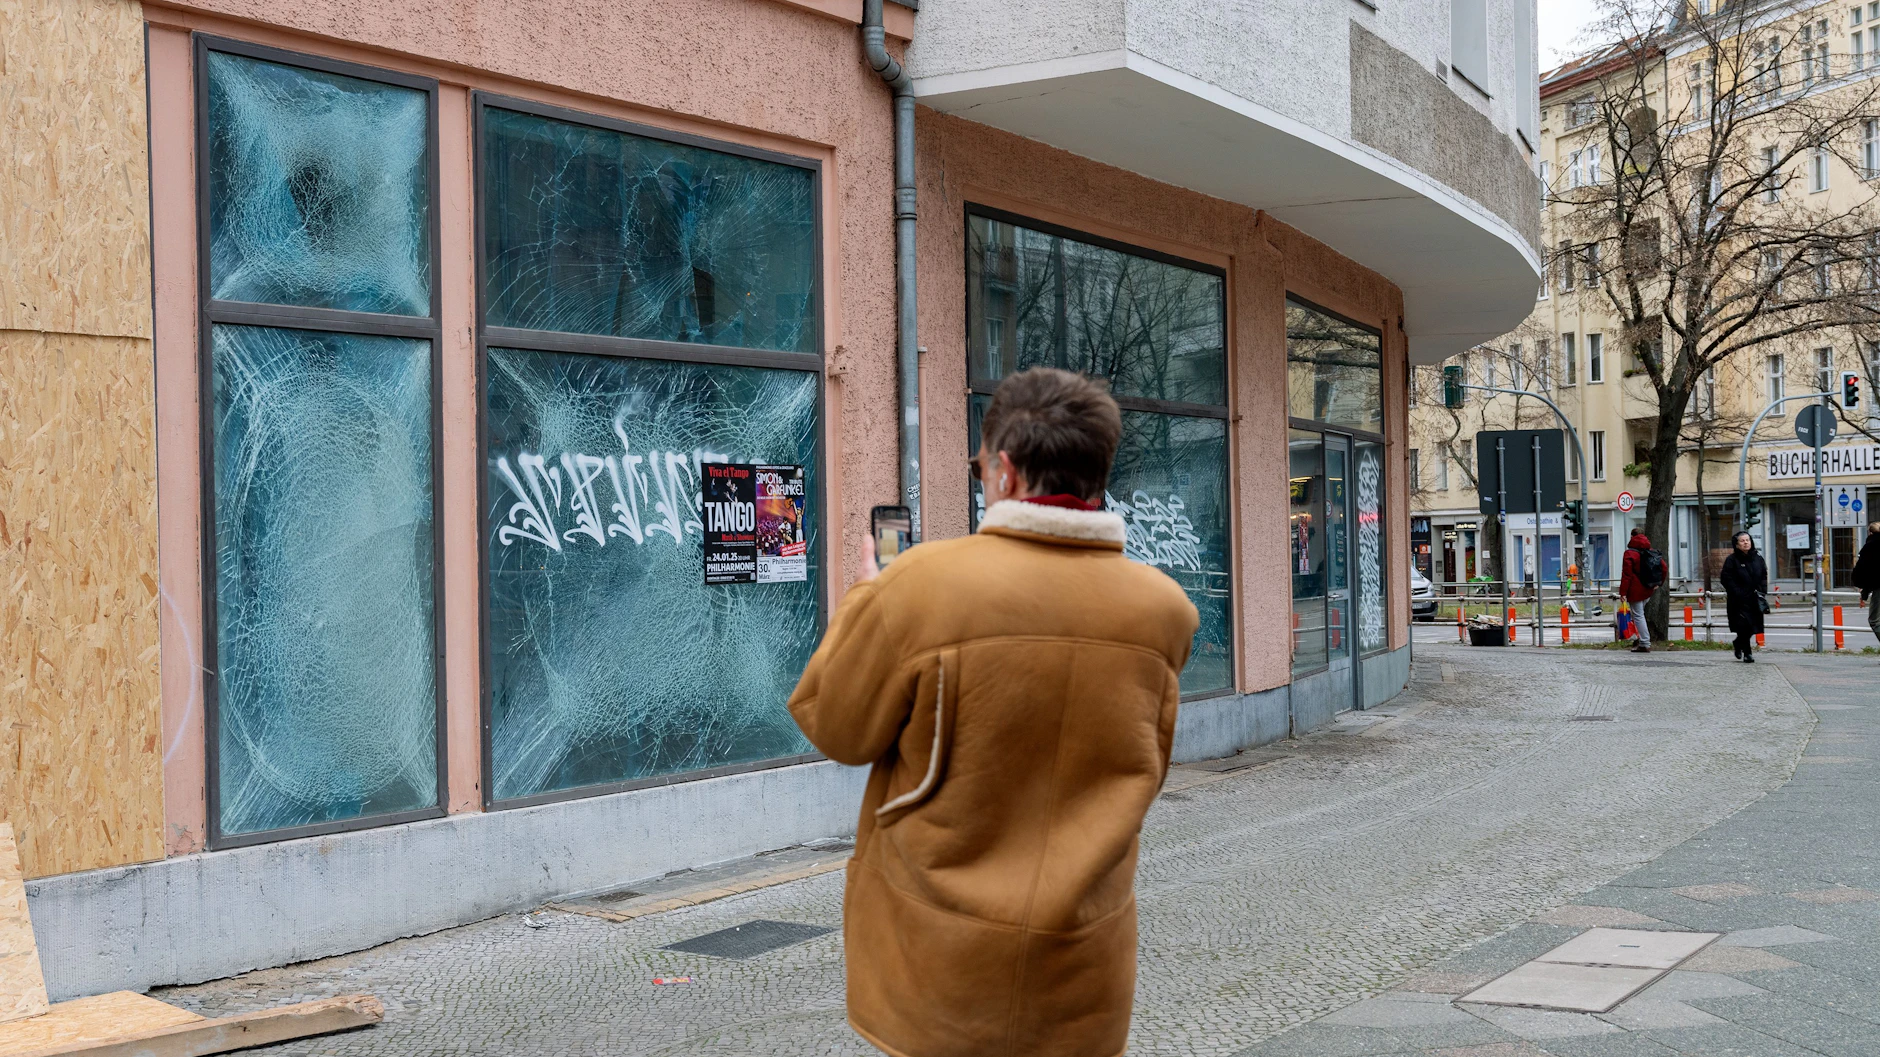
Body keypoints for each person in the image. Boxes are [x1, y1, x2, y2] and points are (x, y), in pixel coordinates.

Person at [787, 367, 1199, 1057]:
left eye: (979, 468)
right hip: (1084, 970)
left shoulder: (921, 585)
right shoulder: (1165, 611)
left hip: (940, 973)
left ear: (1004, 471)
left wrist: (867, 599)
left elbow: (836, 725)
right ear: (1098, 471)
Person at [1719, 531, 1767, 663]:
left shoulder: (1758, 558)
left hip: (1755, 598)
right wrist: (1737, 592)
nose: (1746, 543)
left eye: (1748, 540)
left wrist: (1763, 590)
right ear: (1737, 544)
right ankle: (1748, 653)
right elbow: (1726, 578)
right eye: (1742, 541)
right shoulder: (1732, 560)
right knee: (1743, 626)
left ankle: (1738, 643)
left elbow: (1763, 575)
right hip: (1738, 600)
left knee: (1754, 627)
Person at [1619, 527, 1659, 653]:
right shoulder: (1651, 551)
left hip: (1635, 590)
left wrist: (1623, 593)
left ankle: (1644, 642)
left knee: (1638, 615)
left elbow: (1626, 575)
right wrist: (1658, 582)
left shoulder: (1629, 554)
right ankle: (1642, 640)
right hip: (1648, 589)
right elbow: (1662, 567)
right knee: (1640, 614)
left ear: (1632, 537)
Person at [1855, 520, 1880, 649]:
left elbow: (1865, 570)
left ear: (1870, 532)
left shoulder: (1870, 546)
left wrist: (1863, 589)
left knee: (1874, 620)